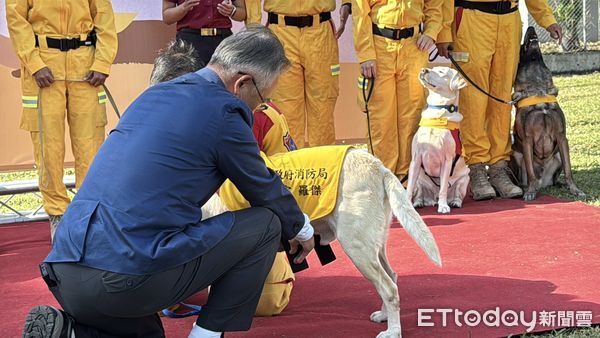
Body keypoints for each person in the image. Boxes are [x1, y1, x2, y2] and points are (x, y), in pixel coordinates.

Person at [21, 26, 316, 338]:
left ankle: (70, 333)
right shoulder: (224, 110)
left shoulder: (154, 95)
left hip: (66, 271)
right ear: (242, 83)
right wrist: (302, 228)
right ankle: (205, 335)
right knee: (265, 224)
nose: (258, 108)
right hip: (125, 276)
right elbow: (263, 187)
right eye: (262, 99)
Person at [149, 39, 297, 317]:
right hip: (177, 227)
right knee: (149, 294)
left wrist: (296, 228)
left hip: (244, 216)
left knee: (267, 302)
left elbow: (284, 175)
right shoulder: (144, 122)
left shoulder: (265, 116)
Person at [6, 0, 118, 240]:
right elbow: (17, 21)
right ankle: (57, 213)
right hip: (43, 69)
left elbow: (105, 18)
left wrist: (102, 62)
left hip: (85, 67)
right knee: (49, 147)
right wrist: (35, 65)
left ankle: (89, 213)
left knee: (90, 146)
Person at [436, 0, 563, 200]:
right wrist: (443, 32)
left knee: (502, 100)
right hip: (472, 19)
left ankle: (499, 167)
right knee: (473, 100)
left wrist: (547, 19)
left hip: (509, 22)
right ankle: (476, 168)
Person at [351, 0, 444, 183]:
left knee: (412, 116)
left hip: (414, 47)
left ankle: (409, 180)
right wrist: (366, 54)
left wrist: (431, 33)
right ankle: (383, 179)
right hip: (380, 47)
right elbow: (360, 13)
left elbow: (435, 6)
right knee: (381, 119)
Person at [245, 0, 352, 147]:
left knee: (323, 107)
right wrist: (253, 28)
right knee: (286, 110)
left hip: (320, 32)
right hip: (281, 32)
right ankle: (292, 166)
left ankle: (323, 165)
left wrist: (347, 3)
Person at [162, 0, 247, 66]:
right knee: (190, 83)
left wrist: (232, 11)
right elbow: (167, 18)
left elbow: (242, 14)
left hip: (222, 40)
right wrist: (183, 8)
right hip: (189, 41)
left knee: (223, 84)